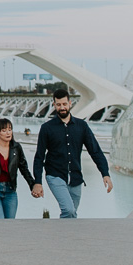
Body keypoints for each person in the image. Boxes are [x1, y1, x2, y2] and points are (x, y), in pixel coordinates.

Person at [31, 88, 112, 219]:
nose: (62, 107)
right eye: (58, 105)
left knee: (71, 216)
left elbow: (95, 150)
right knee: (68, 210)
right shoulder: (46, 128)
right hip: (55, 175)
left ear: (70, 103)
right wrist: (38, 182)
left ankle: (63, 238)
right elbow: (39, 157)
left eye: (64, 104)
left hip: (76, 178)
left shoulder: (82, 126)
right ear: (54, 105)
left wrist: (105, 173)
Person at [0, 117, 38, 219]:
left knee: (10, 224)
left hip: (10, 191)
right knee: (0, 221)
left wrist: (33, 185)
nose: (8, 133)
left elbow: (24, 169)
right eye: (4, 131)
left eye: (10, 129)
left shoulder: (16, 148)